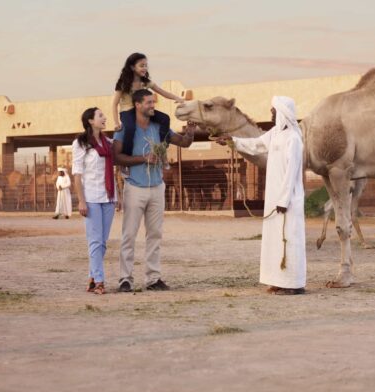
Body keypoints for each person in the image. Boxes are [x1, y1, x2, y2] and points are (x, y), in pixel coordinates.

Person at [216, 96, 306, 295]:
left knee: (290, 239)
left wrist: (284, 200)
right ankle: (277, 280)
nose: (271, 114)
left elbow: (292, 172)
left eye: (273, 111)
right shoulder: (274, 134)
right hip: (275, 198)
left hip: (288, 200)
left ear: (283, 113)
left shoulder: (293, 139)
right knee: (274, 240)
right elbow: (256, 145)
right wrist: (233, 141)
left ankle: (293, 284)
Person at [112, 89, 196, 292]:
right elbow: (117, 157)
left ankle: (153, 278)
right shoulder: (125, 127)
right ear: (138, 105)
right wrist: (143, 159)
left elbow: (184, 142)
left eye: (153, 102)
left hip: (157, 187)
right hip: (134, 187)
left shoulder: (160, 127)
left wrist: (191, 129)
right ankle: (125, 279)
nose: (152, 106)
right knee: (129, 235)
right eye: (148, 102)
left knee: (155, 234)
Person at [71, 108, 120, 295]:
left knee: (103, 242)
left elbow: (116, 167)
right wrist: (81, 201)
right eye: (100, 116)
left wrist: (118, 195)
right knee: (95, 241)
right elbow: (77, 175)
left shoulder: (109, 142)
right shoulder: (80, 143)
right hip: (91, 198)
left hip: (108, 197)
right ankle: (100, 281)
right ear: (90, 121)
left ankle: (92, 277)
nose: (104, 118)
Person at [112, 53, 184, 171]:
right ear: (132, 67)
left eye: (146, 65)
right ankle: (126, 161)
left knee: (165, 118)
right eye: (141, 66)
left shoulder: (145, 82)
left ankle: (162, 150)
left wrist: (177, 98)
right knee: (130, 128)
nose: (145, 68)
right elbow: (114, 104)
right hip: (127, 111)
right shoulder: (123, 83)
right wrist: (116, 122)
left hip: (141, 109)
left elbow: (162, 92)